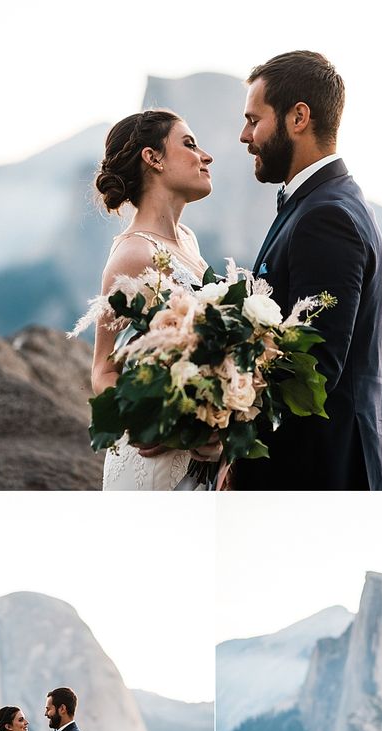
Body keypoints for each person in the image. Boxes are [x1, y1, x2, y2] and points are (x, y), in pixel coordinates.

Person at [234, 50, 382, 491]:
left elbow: (314, 368)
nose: (245, 136)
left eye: (254, 119)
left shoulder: (327, 217)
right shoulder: (323, 201)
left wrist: (222, 411)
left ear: (298, 117)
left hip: (314, 475)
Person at [85, 109, 220, 490]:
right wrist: (148, 422)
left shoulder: (189, 241)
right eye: (190, 145)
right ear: (153, 158)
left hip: (201, 462)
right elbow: (104, 369)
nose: (205, 156)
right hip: (155, 462)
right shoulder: (134, 254)